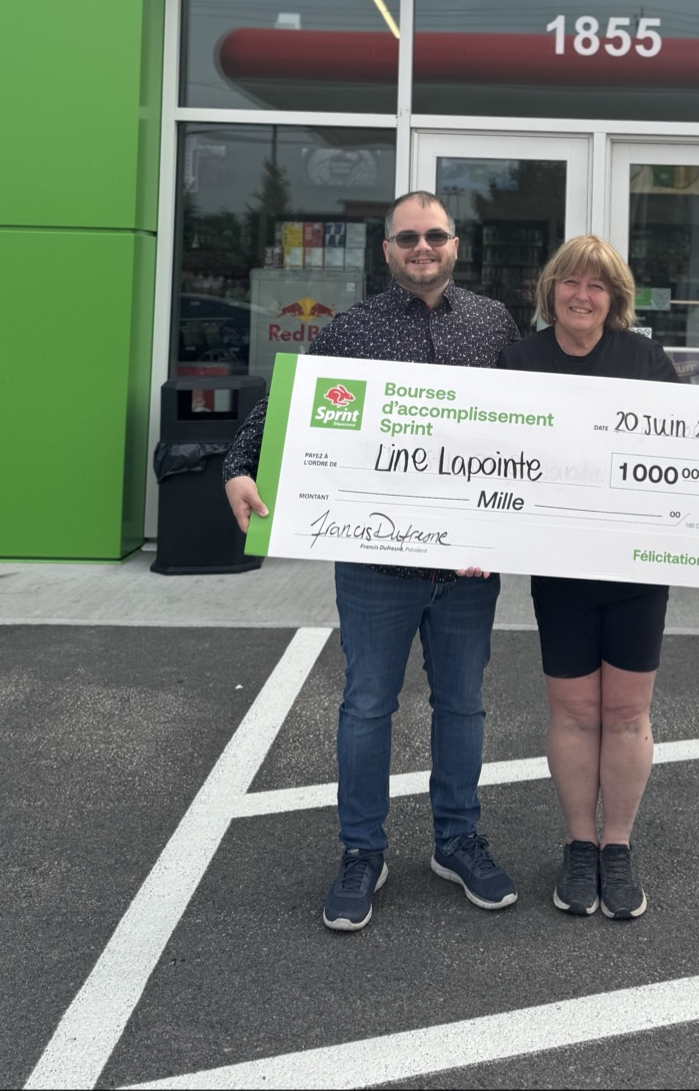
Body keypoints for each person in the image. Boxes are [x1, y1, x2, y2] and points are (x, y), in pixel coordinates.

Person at [223, 190, 522, 933]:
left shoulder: (493, 324)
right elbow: (286, 407)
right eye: (407, 238)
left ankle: (456, 842)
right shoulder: (351, 330)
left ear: (456, 244)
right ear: (386, 250)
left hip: (466, 568)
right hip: (373, 562)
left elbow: (546, 412)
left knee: (463, 704)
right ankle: (362, 851)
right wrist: (238, 464)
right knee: (366, 706)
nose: (422, 248)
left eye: (435, 236)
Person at [497, 235, 699, 920]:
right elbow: (492, 452)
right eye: (570, 283)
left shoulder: (642, 358)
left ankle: (617, 845)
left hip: (636, 569)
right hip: (560, 568)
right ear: (550, 288)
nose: (581, 296)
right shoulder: (520, 362)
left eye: (597, 286)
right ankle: (578, 844)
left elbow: (685, 444)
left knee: (625, 712)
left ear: (614, 299)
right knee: (575, 711)